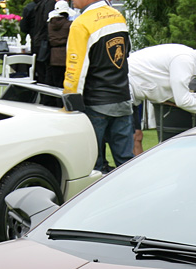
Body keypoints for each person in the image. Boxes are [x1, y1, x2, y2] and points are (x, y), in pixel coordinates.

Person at [64, 0, 133, 173]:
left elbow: (75, 69)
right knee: (126, 162)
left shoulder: (81, 23)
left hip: (96, 103)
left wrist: (70, 102)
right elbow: (125, 54)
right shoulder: (117, 16)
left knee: (92, 165)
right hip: (122, 97)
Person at [128, 44, 196, 154]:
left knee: (136, 136)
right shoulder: (185, 61)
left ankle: (139, 171)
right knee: (129, 139)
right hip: (123, 88)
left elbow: (176, 94)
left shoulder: (188, 58)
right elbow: (182, 100)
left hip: (130, 91)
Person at [43, 0, 73, 86]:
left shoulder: (50, 24)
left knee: (54, 82)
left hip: (53, 56)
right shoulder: (70, 25)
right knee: (63, 84)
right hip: (65, 55)